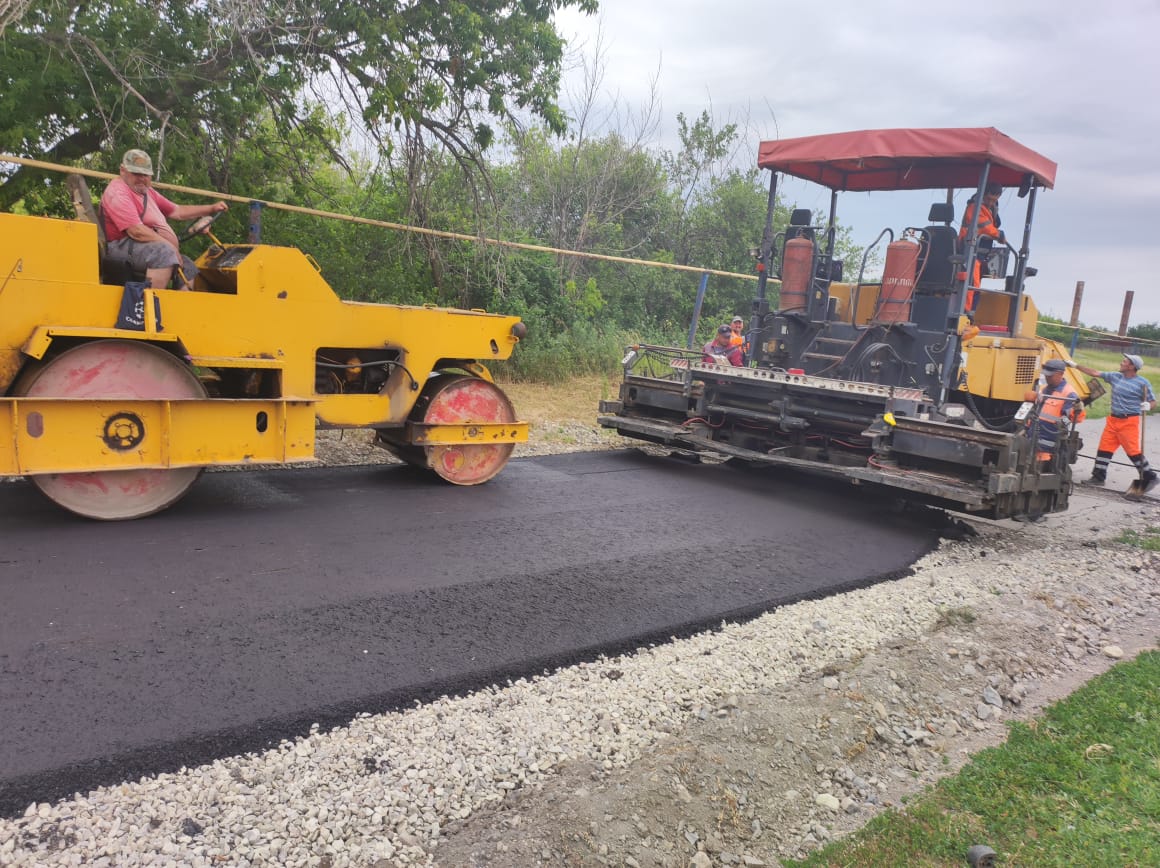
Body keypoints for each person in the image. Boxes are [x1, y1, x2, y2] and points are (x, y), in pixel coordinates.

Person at [100, 149, 228, 291]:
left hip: (145, 247)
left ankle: (179, 309)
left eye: (146, 175)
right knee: (164, 254)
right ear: (123, 171)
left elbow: (177, 211)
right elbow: (136, 231)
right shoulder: (118, 192)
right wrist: (171, 247)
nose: (142, 178)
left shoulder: (147, 192)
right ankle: (149, 307)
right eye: (136, 173)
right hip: (120, 247)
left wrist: (211, 208)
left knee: (187, 266)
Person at [1069, 353, 1156, 490]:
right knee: (1104, 448)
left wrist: (1148, 406)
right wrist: (1075, 365)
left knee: (1132, 451)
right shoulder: (1115, 376)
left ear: (1132, 366)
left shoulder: (1143, 383)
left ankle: (1150, 476)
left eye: (1124, 361)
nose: (1121, 363)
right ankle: (1098, 477)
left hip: (1129, 421)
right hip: (1113, 420)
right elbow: (1095, 372)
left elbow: (1152, 402)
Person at [958, 182, 1005, 311]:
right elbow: (984, 227)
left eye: (994, 200)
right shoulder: (974, 207)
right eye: (989, 199)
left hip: (980, 252)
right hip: (969, 248)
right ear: (983, 194)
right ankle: (964, 313)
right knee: (971, 285)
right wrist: (999, 235)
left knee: (975, 286)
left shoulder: (991, 208)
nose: (991, 202)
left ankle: (969, 313)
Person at [1028, 359, 1085, 463]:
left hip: (1048, 440)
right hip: (1033, 435)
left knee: (1040, 464)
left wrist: (1076, 411)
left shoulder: (1069, 394)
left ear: (1060, 374)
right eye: (1046, 375)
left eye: (1050, 375)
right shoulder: (1044, 389)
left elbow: (1074, 418)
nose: (1047, 377)